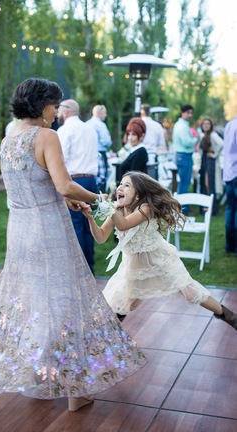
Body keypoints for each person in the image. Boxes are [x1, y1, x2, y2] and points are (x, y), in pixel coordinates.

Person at [0, 78, 146, 413]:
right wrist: (100, 200)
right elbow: (65, 185)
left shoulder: (9, 140)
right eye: (54, 105)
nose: (56, 113)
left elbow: (33, 186)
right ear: (41, 104)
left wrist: (65, 200)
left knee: (34, 298)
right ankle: (75, 390)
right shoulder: (45, 136)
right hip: (48, 231)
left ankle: (37, 373)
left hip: (20, 230)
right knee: (65, 301)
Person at [82, 171, 237, 330]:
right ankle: (108, 334)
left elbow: (124, 225)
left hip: (160, 259)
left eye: (127, 185)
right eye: (120, 184)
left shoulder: (145, 208)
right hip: (133, 264)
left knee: (189, 291)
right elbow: (100, 237)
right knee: (125, 300)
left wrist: (109, 208)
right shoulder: (117, 209)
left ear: (137, 195)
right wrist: (90, 219)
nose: (120, 187)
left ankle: (230, 317)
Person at [57, 99, 99, 274]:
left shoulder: (65, 130)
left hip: (74, 181)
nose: (57, 114)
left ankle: (80, 270)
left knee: (76, 227)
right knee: (89, 225)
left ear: (66, 111)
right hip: (91, 181)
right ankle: (89, 266)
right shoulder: (90, 129)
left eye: (59, 110)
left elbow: (60, 159)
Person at [172, 105, 198, 209]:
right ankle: (183, 208)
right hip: (184, 156)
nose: (190, 115)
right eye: (188, 113)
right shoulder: (182, 126)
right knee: (184, 183)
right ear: (182, 113)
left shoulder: (181, 124)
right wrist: (196, 139)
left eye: (191, 113)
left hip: (182, 156)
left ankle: (182, 207)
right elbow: (187, 142)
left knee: (184, 183)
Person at [199, 118, 224, 216]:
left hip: (210, 162)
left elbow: (221, 144)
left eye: (208, 124)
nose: (206, 125)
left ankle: (213, 208)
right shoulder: (204, 135)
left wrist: (215, 154)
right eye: (204, 124)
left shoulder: (213, 134)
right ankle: (206, 207)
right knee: (205, 184)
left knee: (210, 185)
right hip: (204, 161)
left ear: (211, 125)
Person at [223, 115, 237, 256]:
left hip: (228, 172)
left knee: (230, 209)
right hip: (235, 172)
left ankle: (229, 245)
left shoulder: (230, 124)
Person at [86, 104, 112, 175]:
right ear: (99, 113)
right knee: (102, 177)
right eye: (104, 113)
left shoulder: (86, 124)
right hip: (100, 154)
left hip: (88, 154)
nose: (105, 115)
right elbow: (106, 141)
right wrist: (109, 143)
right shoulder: (101, 125)